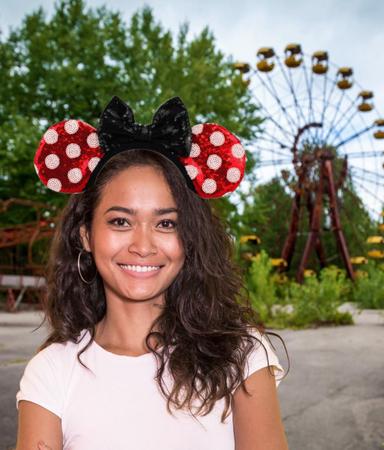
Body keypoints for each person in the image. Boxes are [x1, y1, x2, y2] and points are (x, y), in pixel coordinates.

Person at [15, 96, 290, 450]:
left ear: (188, 237)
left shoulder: (242, 356)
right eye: (120, 221)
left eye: (165, 223)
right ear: (86, 234)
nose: (143, 245)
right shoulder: (51, 373)